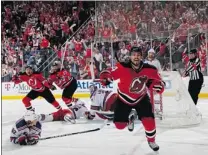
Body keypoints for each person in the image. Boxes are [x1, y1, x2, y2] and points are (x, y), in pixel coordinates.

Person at [99, 47, 165, 151]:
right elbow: (109, 72)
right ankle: (130, 120)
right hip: (123, 98)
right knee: (119, 125)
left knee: (149, 120)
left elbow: (157, 81)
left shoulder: (150, 69)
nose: (136, 57)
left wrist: (158, 85)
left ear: (141, 56)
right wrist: (105, 77)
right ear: (130, 56)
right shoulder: (122, 66)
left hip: (141, 98)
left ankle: (151, 140)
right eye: (134, 55)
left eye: (138, 55)